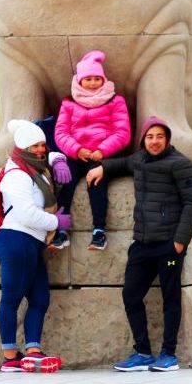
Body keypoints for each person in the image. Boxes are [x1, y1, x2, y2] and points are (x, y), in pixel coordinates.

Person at [86, 117, 192, 373]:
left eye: (159, 136)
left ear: (167, 139)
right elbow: (123, 163)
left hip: (169, 247)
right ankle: (143, 352)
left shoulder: (182, 165)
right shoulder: (139, 159)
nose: (154, 141)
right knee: (131, 294)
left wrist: (179, 243)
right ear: (143, 140)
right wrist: (102, 167)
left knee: (170, 297)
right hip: (142, 244)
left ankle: (169, 354)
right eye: (150, 137)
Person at [0, 119, 74, 373]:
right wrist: (56, 220)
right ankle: (9, 357)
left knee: (40, 297)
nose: (41, 149)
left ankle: (33, 351)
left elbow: (50, 156)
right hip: (16, 239)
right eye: (35, 146)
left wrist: (58, 159)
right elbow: (27, 213)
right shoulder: (16, 175)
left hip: (32, 243)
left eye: (43, 144)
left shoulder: (35, 166)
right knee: (12, 297)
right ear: (23, 147)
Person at [51, 50, 131, 252]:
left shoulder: (115, 101)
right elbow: (60, 132)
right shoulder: (69, 103)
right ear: (80, 81)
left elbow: (122, 132)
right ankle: (61, 231)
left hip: (101, 154)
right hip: (76, 154)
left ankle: (99, 231)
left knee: (97, 182)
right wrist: (76, 150)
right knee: (63, 179)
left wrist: (102, 151)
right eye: (88, 79)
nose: (93, 82)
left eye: (97, 78)